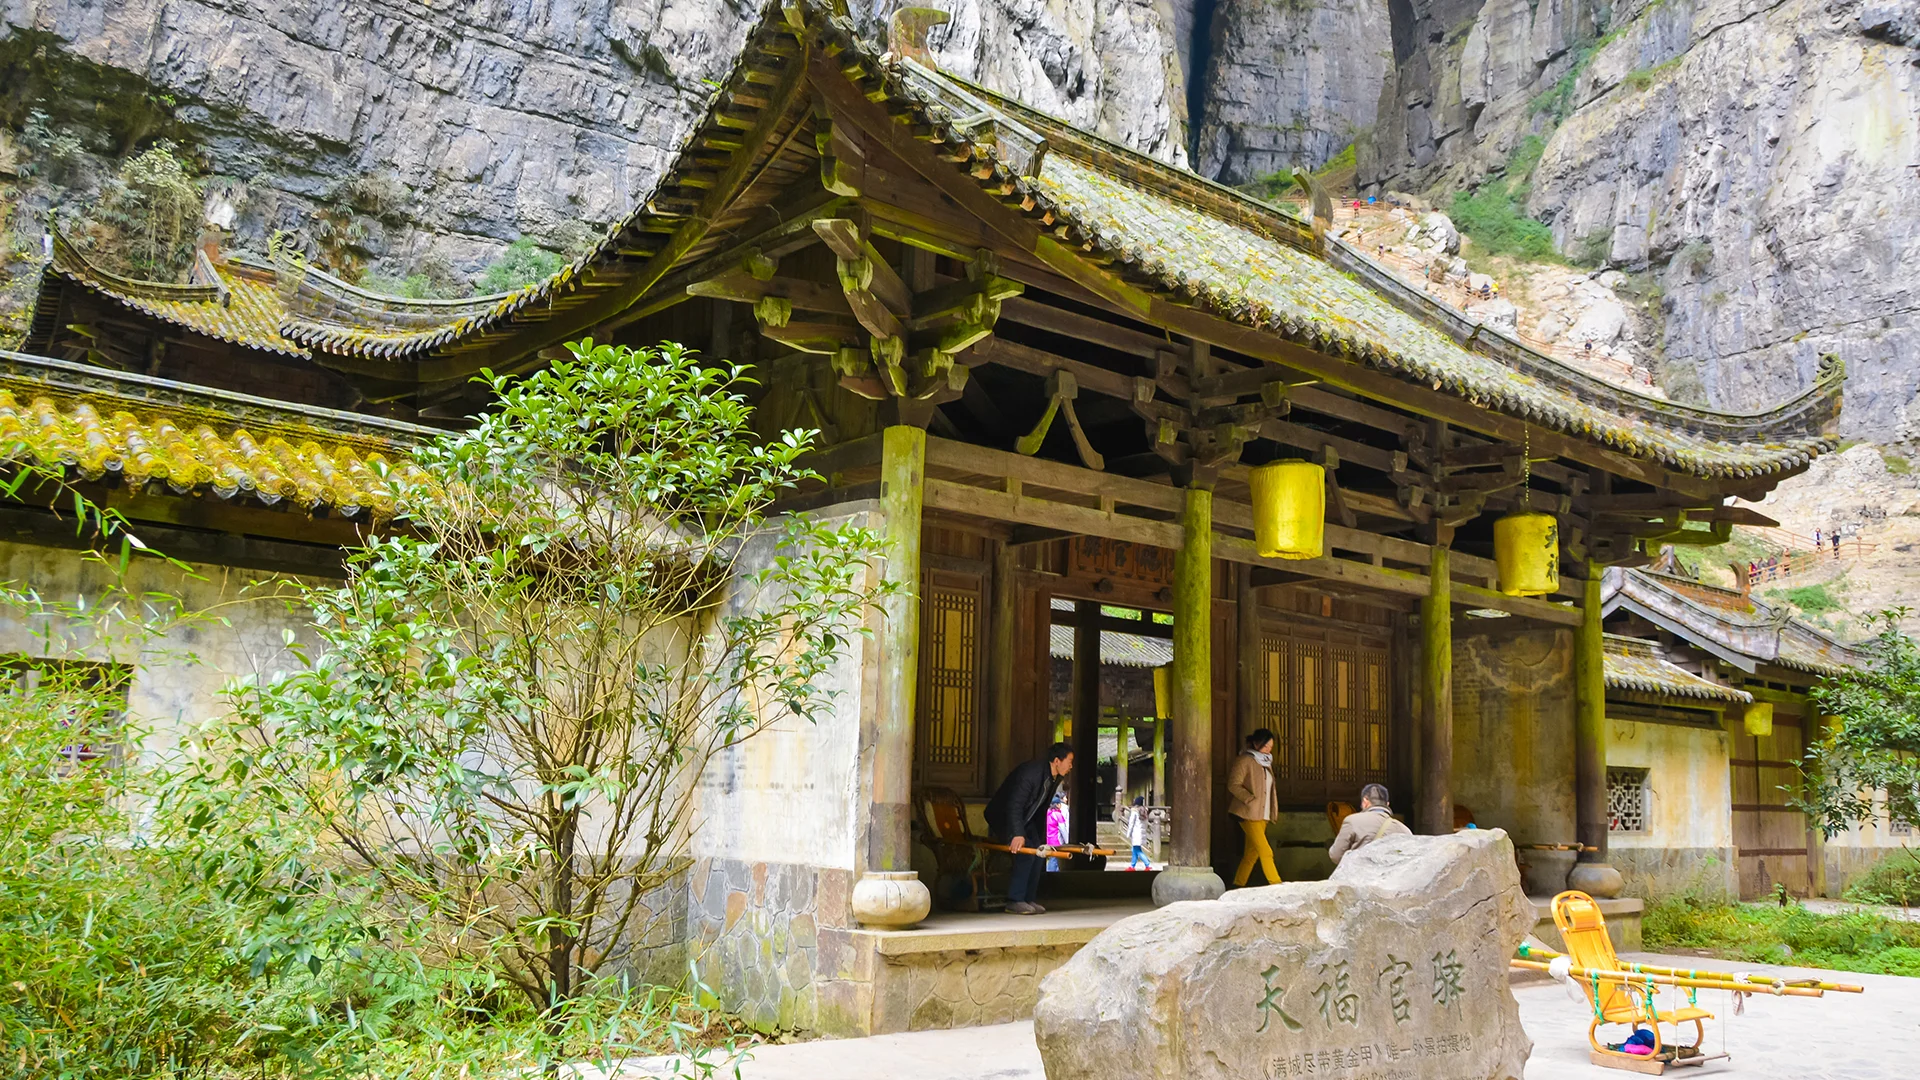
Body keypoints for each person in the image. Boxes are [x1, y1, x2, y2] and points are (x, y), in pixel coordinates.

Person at [985, 742, 1074, 914]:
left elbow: (1041, 809)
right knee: (1026, 853)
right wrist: (1017, 834)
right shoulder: (1031, 773)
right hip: (1004, 817)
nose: (1071, 765)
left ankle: (1028, 898)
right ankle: (1015, 900)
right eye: (1069, 761)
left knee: (1039, 852)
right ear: (1057, 760)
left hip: (1026, 819)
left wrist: (1041, 837)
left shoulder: (1054, 777)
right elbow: (1014, 805)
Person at [1227, 728, 1282, 887]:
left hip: (1263, 814)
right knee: (1266, 851)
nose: (1268, 750)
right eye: (1266, 746)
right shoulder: (1244, 760)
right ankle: (1276, 884)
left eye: (1271, 747)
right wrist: (1249, 799)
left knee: (1251, 853)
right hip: (1249, 813)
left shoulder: (1266, 762)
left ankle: (1237, 885)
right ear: (1256, 744)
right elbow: (1233, 784)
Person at [1328, 783, 1412, 865]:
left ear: (1365, 801)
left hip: (1359, 877)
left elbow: (1335, 856)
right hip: (1389, 878)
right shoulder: (1404, 829)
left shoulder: (1352, 821)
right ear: (1387, 804)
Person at [1123, 796, 1150, 870]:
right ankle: (1132, 866)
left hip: (1136, 833)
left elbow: (1131, 823)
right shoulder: (1144, 811)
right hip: (1142, 833)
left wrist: (1128, 833)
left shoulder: (1134, 811)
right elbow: (1146, 824)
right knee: (1134, 850)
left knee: (1137, 850)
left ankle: (1147, 864)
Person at [1044, 793, 1067, 873]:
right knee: (1055, 860)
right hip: (1057, 841)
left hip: (1048, 840)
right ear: (1057, 804)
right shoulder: (1058, 815)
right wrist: (1067, 841)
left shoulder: (1047, 814)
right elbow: (1063, 829)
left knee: (1052, 858)